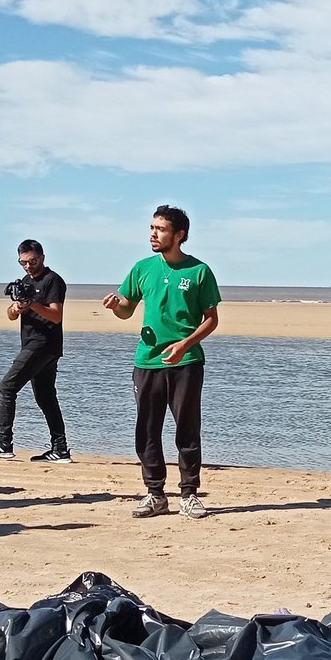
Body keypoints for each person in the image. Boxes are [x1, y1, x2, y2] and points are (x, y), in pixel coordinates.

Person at [102, 205, 221, 520]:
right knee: (147, 430)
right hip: (148, 361)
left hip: (187, 361)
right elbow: (127, 308)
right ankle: (155, 494)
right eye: (152, 228)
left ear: (179, 234)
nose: (153, 234)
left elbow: (211, 320)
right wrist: (117, 306)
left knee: (187, 429)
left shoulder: (199, 272)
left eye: (161, 229)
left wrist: (185, 344)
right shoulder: (142, 268)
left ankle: (189, 494)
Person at [0, 239, 71, 463]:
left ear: (42, 257)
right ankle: (60, 449)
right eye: (23, 262)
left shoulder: (53, 280)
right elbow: (11, 314)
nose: (28, 266)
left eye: (32, 261)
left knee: (7, 388)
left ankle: (3, 443)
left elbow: (56, 315)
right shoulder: (26, 282)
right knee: (46, 398)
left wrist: (33, 304)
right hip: (33, 344)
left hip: (43, 344)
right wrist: (17, 306)